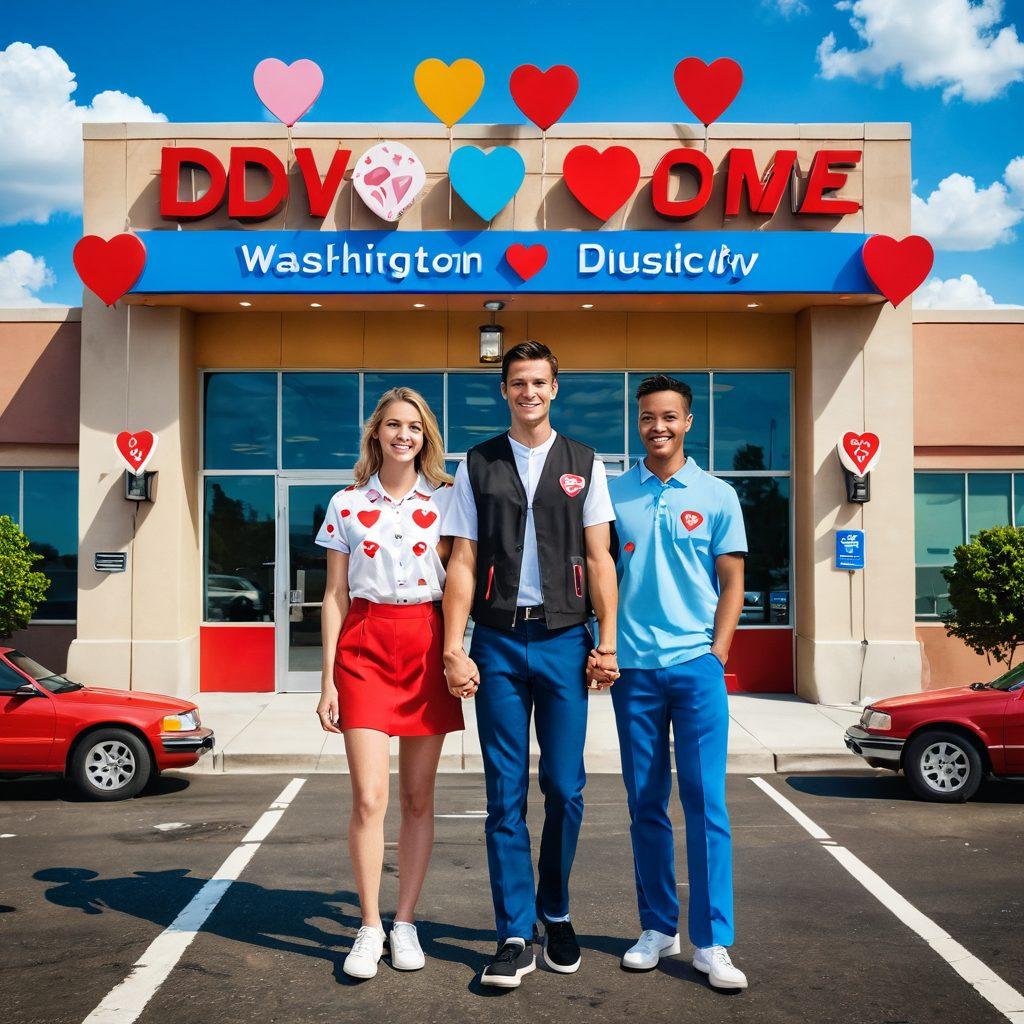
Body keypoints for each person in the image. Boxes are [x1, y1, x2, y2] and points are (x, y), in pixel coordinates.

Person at [443, 341, 619, 989]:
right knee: (504, 796)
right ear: (505, 391)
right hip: (496, 642)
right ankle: (515, 930)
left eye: (539, 382)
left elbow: (600, 559)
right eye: (517, 382)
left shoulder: (582, 462)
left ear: (554, 387)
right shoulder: (478, 463)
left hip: (566, 640)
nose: (528, 392)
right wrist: (452, 645)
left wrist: (609, 641)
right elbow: (461, 561)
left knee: (567, 790)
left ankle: (557, 909)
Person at [600, 373, 749, 990]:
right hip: (633, 671)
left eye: (668, 417)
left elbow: (733, 583)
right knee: (645, 804)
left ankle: (714, 942)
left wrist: (715, 655)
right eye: (646, 418)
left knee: (705, 802)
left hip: (695, 670)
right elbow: (597, 572)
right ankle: (658, 927)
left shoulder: (717, 495)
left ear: (688, 422)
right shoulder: (613, 495)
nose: (656, 427)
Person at [315, 386, 463, 980]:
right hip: (366, 647)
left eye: (416, 427)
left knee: (417, 798)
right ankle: (369, 926)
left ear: (426, 437)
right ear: (375, 433)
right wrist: (327, 680)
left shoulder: (450, 500)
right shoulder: (346, 504)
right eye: (394, 425)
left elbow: (464, 578)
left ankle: (405, 922)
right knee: (370, 798)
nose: (404, 435)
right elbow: (333, 595)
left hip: (427, 642)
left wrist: (457, 649)